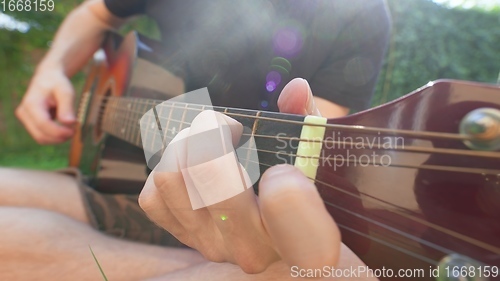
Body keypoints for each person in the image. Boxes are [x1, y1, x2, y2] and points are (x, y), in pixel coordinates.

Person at [1, 0, 391, 279]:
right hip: (125, 169)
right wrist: (50, 71)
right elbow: (93, 13)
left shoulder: (359, 12)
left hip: (217, 205)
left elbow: (307, 149)